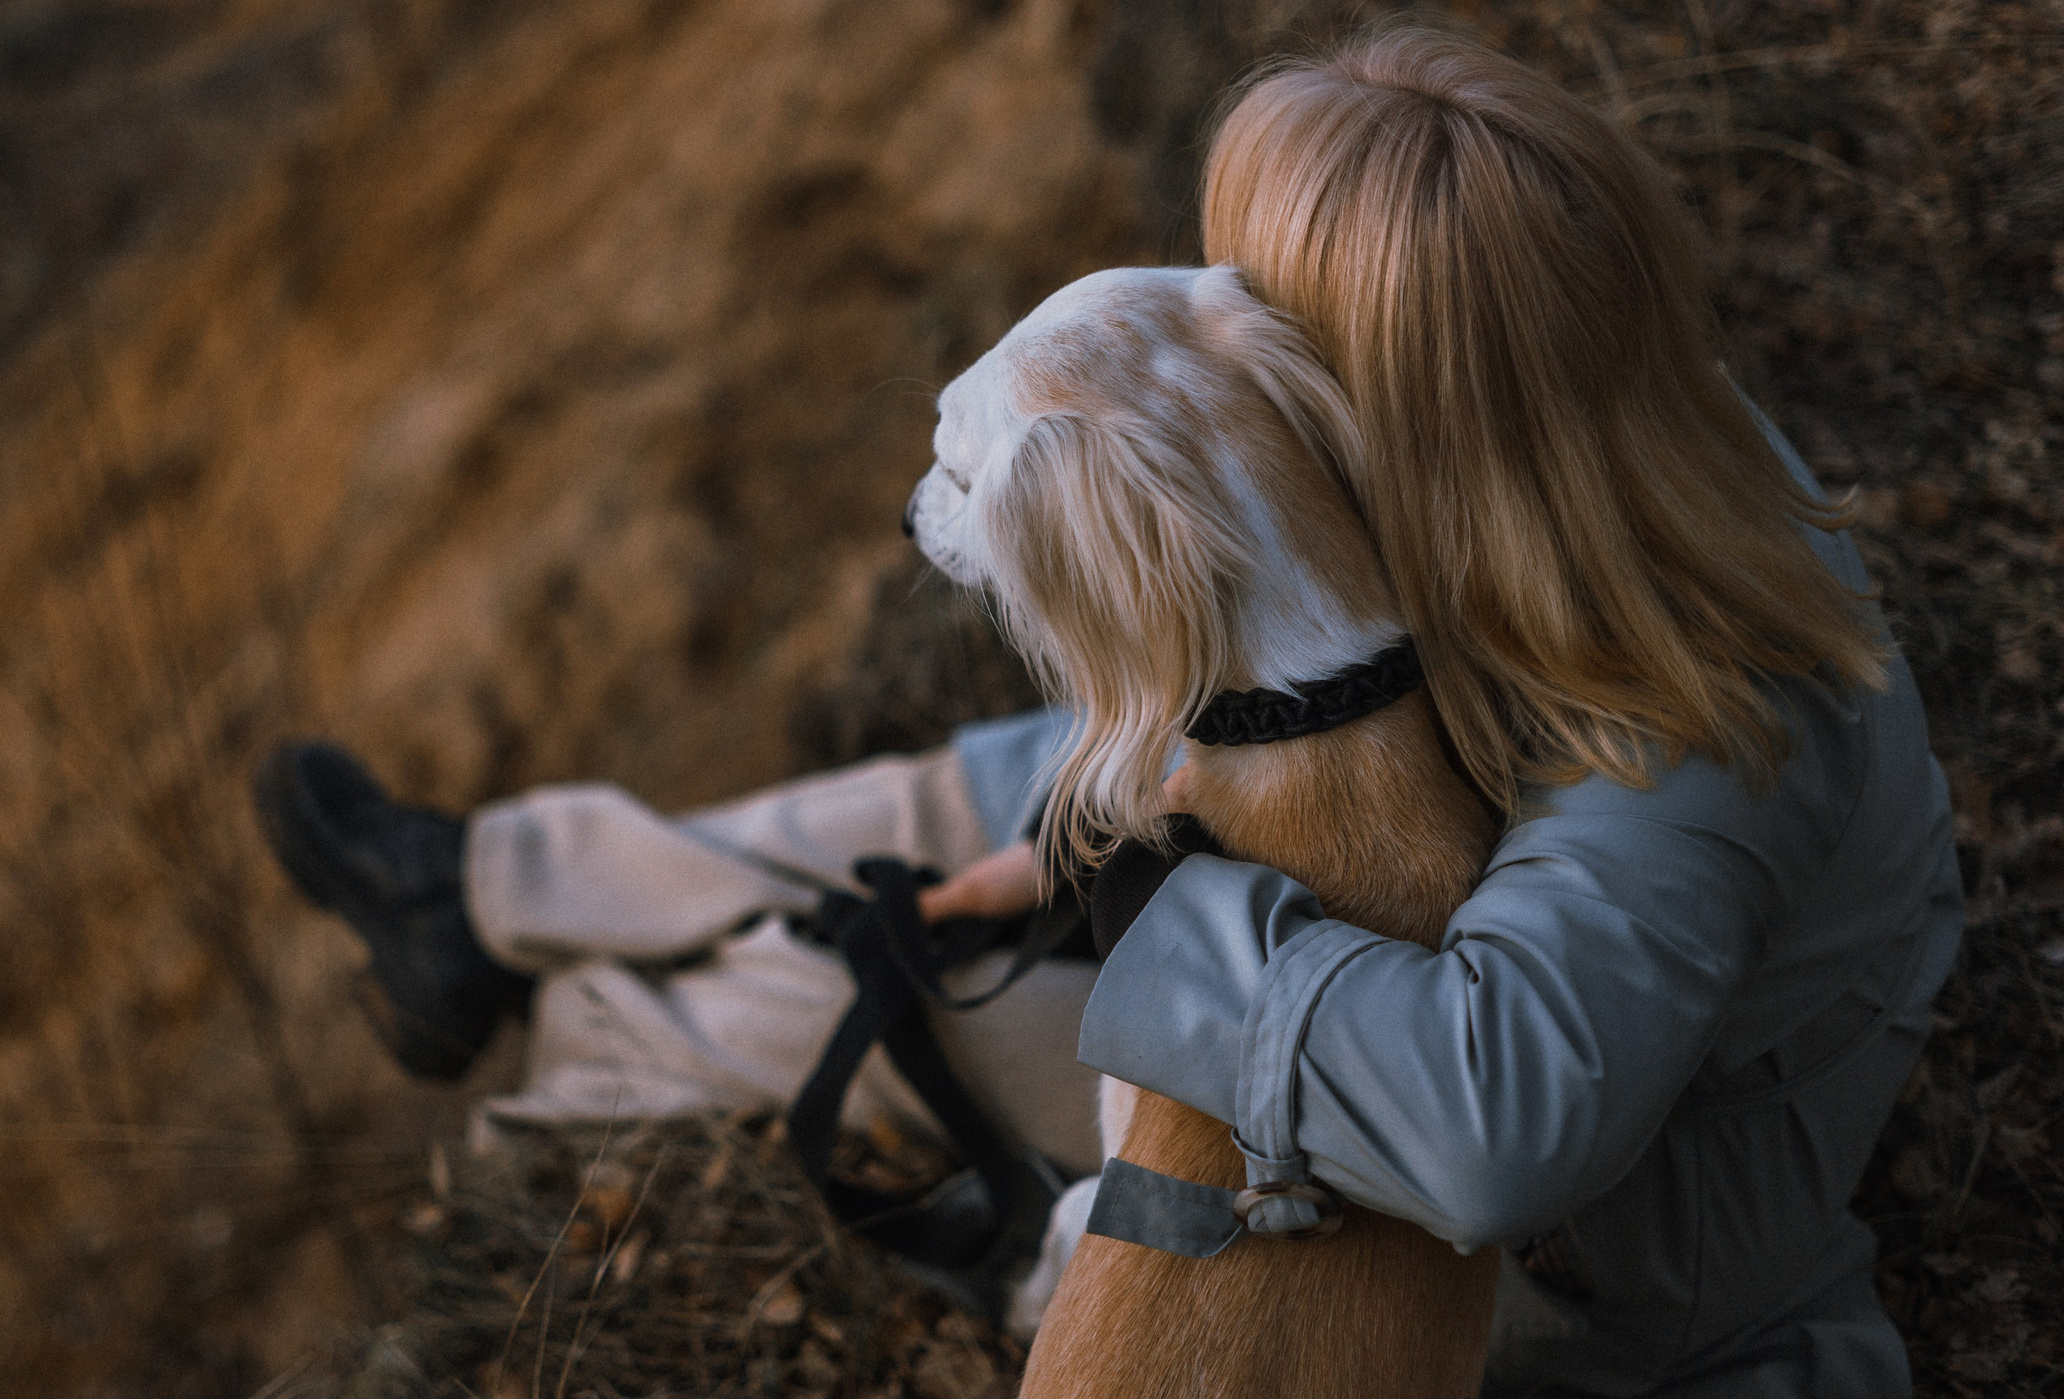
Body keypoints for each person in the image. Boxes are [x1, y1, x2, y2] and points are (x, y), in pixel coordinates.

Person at [258, 26, 1959, 1398]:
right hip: (1372, 927)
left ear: (1420, 384)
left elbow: (1497, 1131)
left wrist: (1151, 894)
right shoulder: (1558, 447)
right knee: (986, 797)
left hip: (1579, 1250)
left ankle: (574, 1033)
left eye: (1268, 319)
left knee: (796, 996)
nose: (1220, 333)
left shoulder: (1700, 699)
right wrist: (1088, 835)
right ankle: (480, 891)